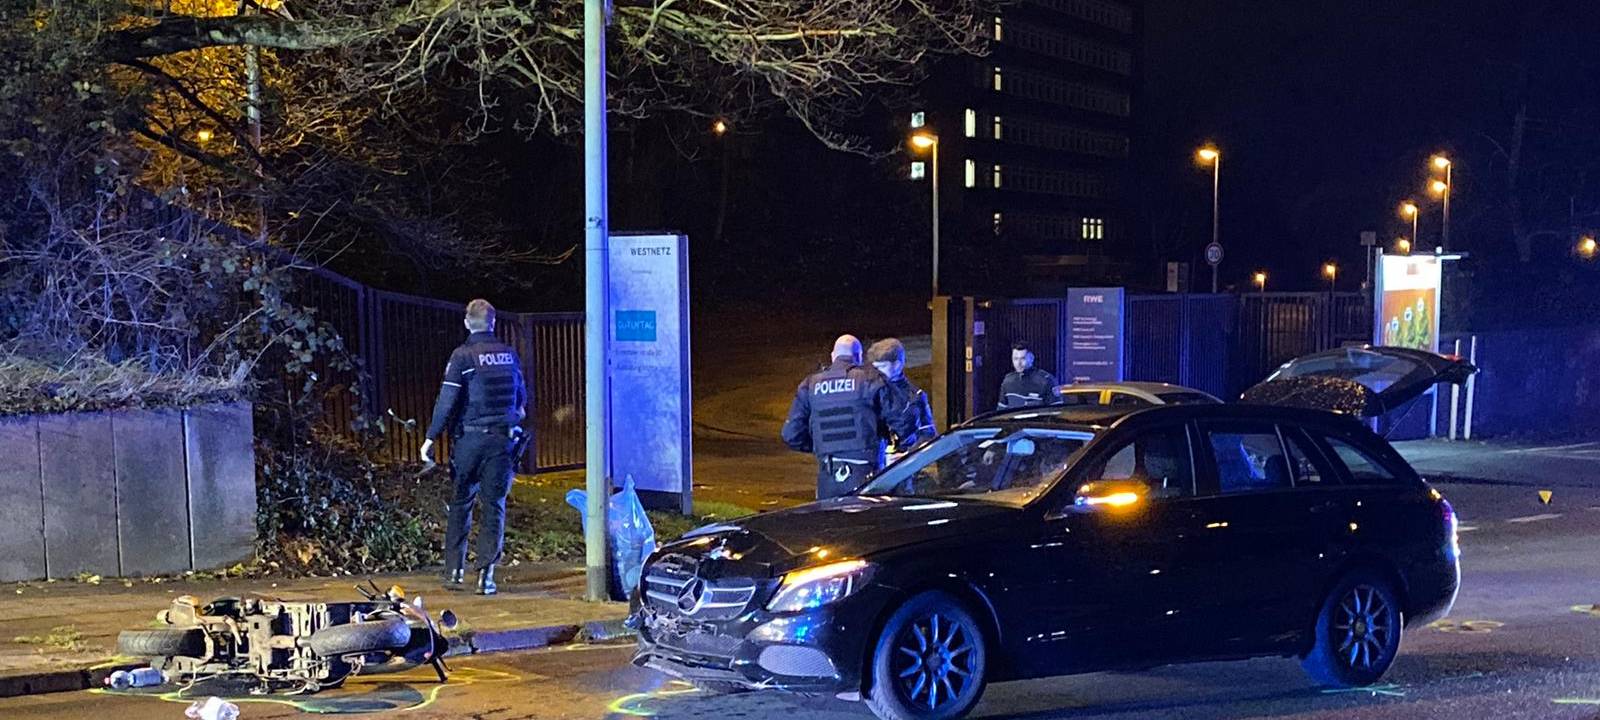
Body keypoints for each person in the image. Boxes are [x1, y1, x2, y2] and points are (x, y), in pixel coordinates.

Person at [421, 299, 528, 596]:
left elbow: (447, 401)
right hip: (503, 442)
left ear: (468, 322)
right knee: (494, 506)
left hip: (470, 440)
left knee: (461, 502)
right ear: (492, 323)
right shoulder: (509, 355)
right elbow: (521, 402)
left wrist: (431, 438)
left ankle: (454, 571)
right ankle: (486, 577)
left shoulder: (463, 356)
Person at [781, 335, 916, 499]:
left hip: (828, 476)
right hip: (866, 474)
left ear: (833, 356)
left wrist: (822, 446)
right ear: (858, 357)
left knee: (831, 522)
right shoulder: (871, 380)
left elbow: (791, 435)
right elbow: (903, 423)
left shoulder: (810, 384)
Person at [867, 338, 937, 460]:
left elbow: (928, 435)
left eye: (882, 367)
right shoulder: (867, 391)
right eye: (875, 368)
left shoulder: (916, 396)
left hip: (902, 465)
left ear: (898, 365)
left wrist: (908, 455)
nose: (877, 373)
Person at [998, 340, 1059, 410]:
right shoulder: (1008, 381)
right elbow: (1001, 411)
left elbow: (1056, 410)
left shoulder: (1046, 380)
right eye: (1015, 359)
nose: (1018, 363)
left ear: (1032, 358)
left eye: (1023, 358)